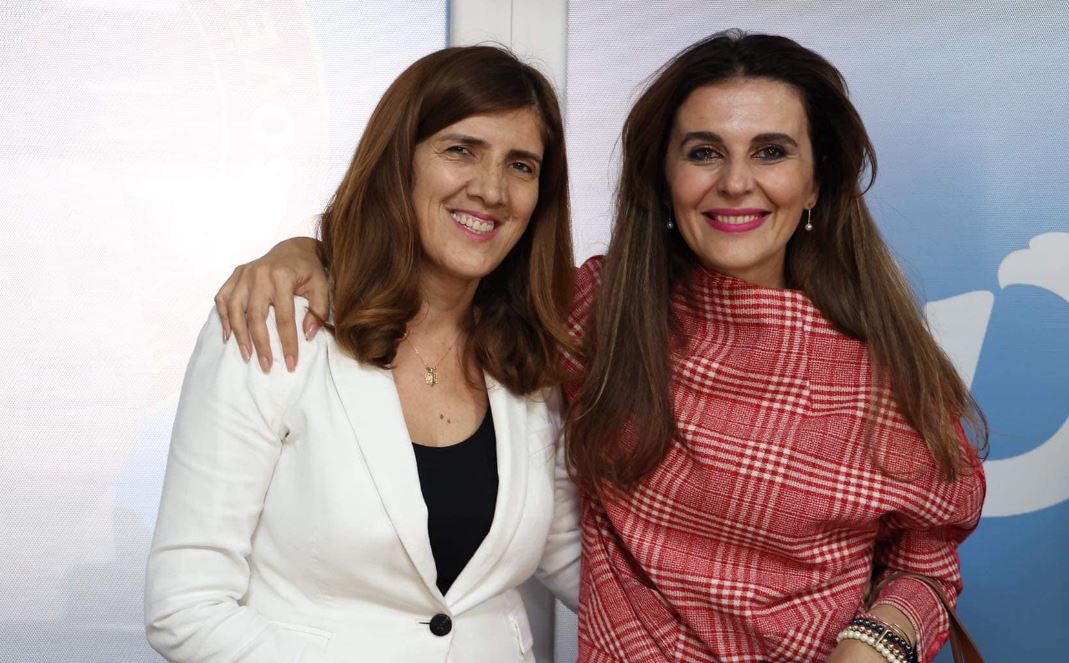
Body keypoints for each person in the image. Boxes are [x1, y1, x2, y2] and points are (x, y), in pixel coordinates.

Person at [215, 31, 986, 663]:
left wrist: (874, 644)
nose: (734, 182)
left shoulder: (883, 370)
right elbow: (441, 283)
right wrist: (307, 254)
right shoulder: (594, 313)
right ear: (663, 176)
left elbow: (926, 562)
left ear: (816, 183)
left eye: (771, 151)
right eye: (703, 151)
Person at [146, 45, 581, 663]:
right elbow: (185, 607)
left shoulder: (529, 357)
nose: (491, 189)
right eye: (461, 150)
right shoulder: (277, 324)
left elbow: (569, 552)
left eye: (521, 165)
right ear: (398, 163)